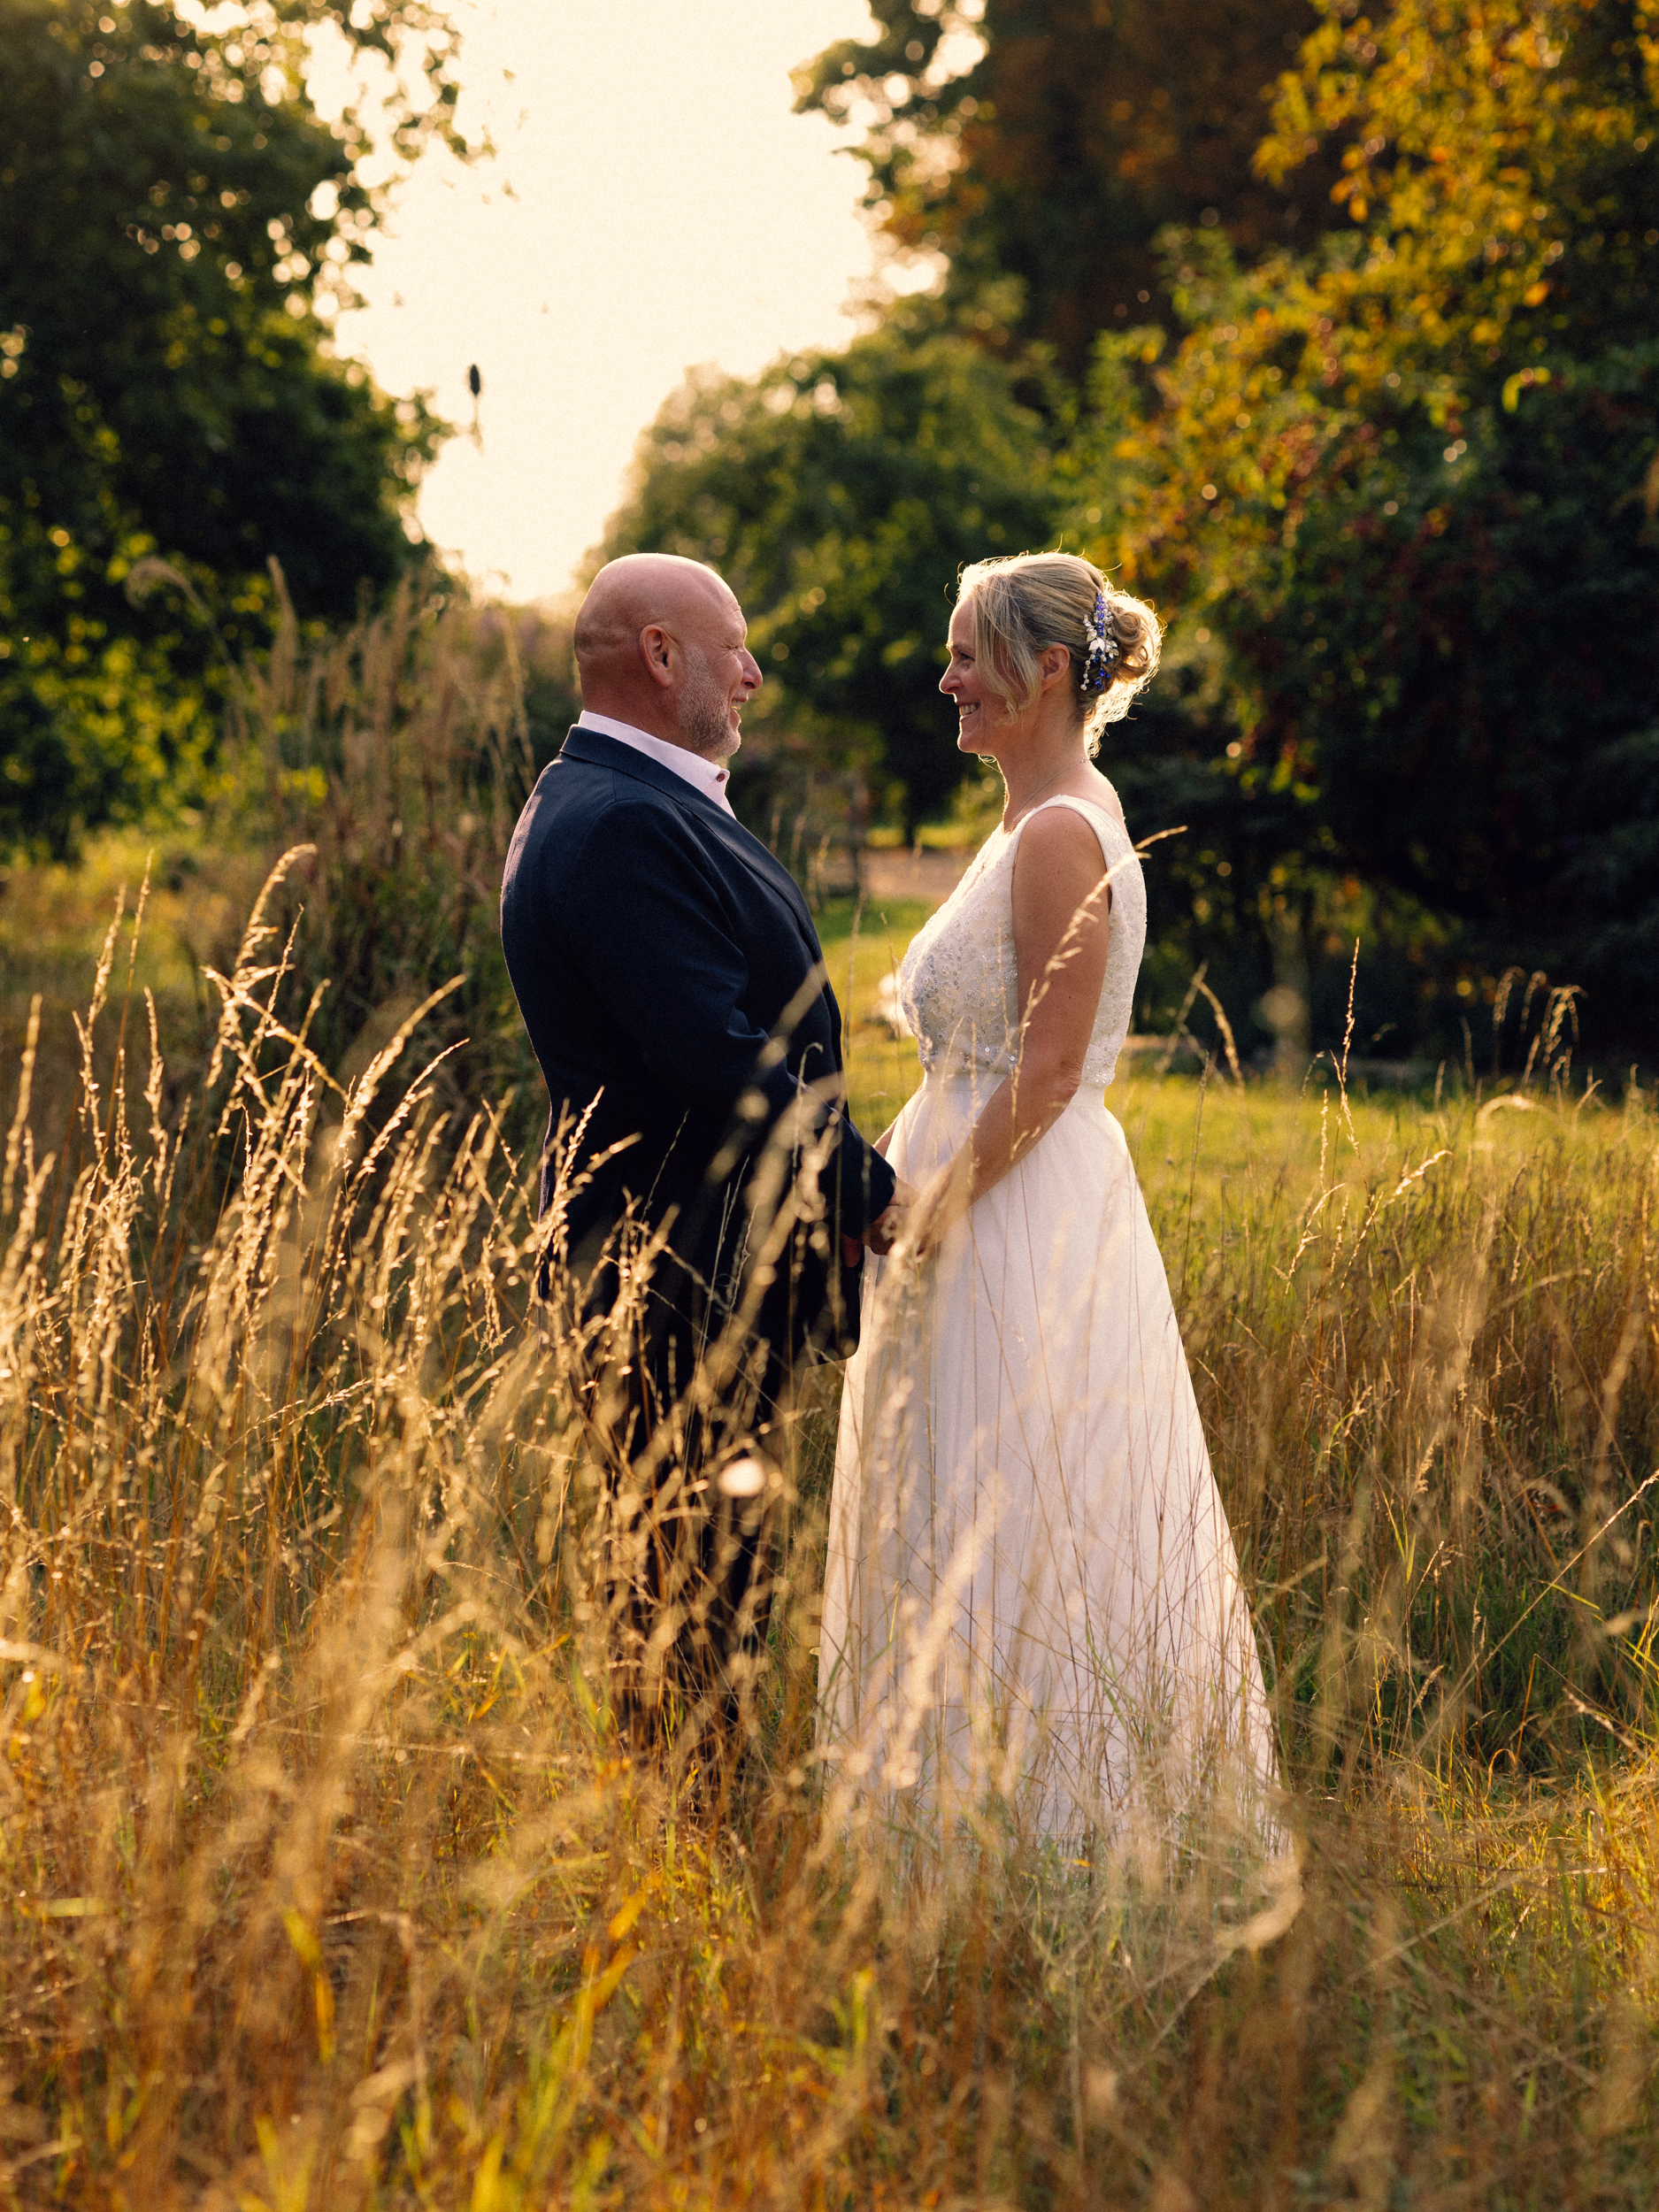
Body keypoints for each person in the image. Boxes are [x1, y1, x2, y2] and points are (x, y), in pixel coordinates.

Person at [818, 551, 1282, 1863]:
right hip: (978, 1188)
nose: (947, 677)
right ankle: (961, 1825)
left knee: (1012, 1501)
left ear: (1043, 674)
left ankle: (1045, 1835)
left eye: (968, 653)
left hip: (1008, 1210)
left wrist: (926, 1213)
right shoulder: (1035, 819)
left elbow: (1053, 1064)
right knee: (974, 1502)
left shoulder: (1065, 829)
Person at [500, 553, 905, 1732]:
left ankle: (675, 1853)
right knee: (694, 1602)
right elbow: (717, 1059)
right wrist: (866, 1189)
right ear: (661, 654)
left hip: (683, 1269)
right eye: (735, 644)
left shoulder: (607, 795)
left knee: (689, 1587)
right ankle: (690, 1866)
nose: (755, 672)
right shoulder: (623, 819)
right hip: (671, 1277)